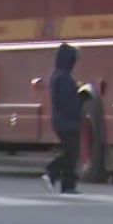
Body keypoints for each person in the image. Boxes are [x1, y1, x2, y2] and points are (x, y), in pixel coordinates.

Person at [41, 43, 81, 194]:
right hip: (67, 122)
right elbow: (67, 101)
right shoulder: (63, 78)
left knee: (71, 153)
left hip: (62, 121)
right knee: (71, 153)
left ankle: (68, 184)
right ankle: (52, 171)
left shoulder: (58, 76)